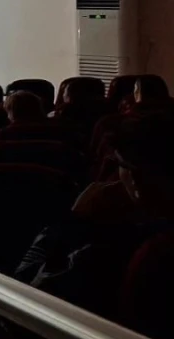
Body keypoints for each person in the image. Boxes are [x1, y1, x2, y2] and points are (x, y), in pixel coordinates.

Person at [16, 116, 174, 324]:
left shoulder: (110, 250)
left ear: (135, 177)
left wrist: (73, 221)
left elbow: (25, 295)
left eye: (120, 165)